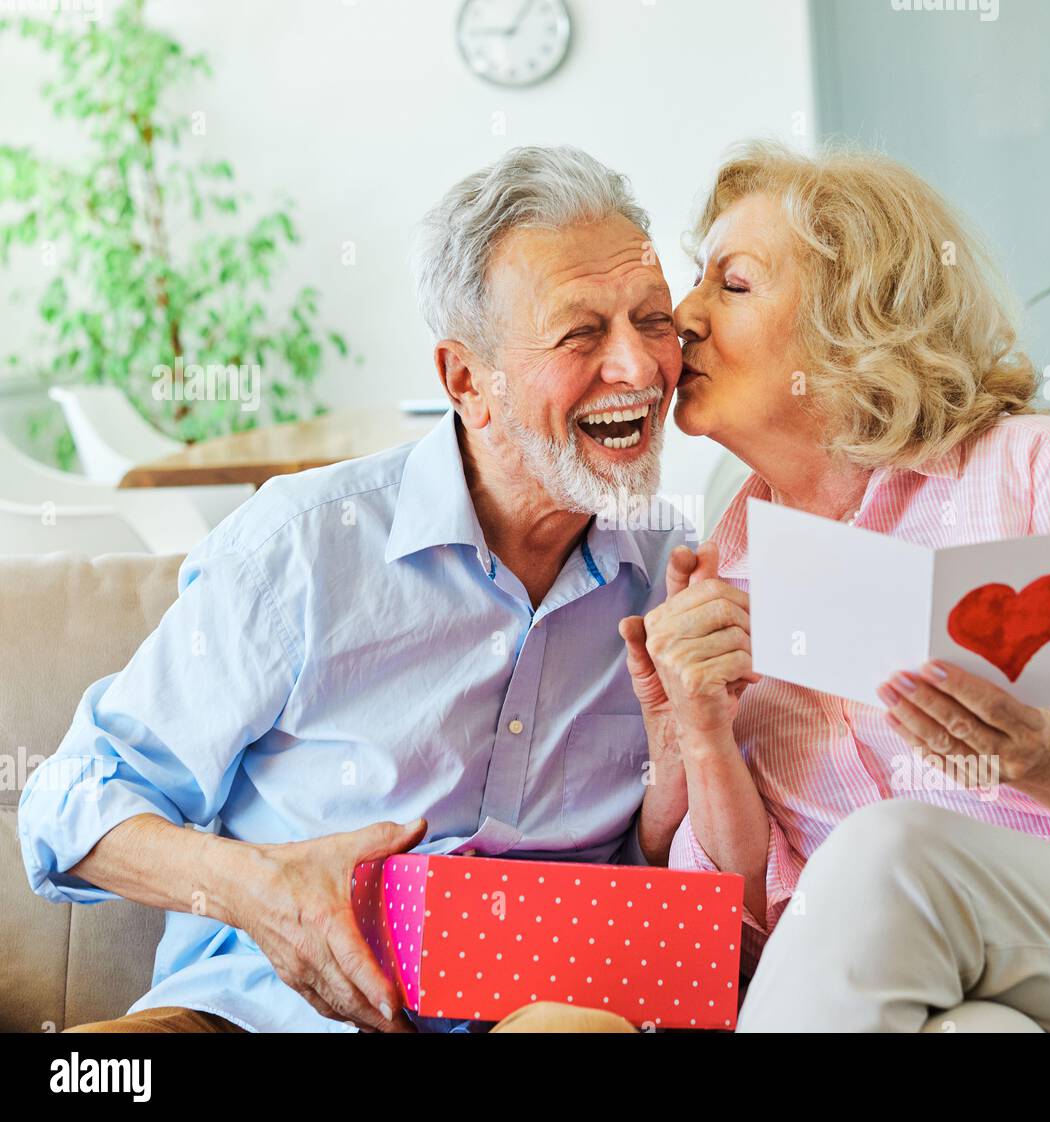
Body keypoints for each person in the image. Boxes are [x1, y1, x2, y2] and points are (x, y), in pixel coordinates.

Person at [625, 141, 1050, 1032]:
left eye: (733, 284)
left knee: (891, 849)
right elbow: (752, 943)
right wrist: (703, 736)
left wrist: (1047, 761)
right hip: (954, 993)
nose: (686, 318)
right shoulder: (729, 569)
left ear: (853, 319)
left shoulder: (1037, 473)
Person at [19, 146, 690, 1034]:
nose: (640, 367)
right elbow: (68, 798)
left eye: (653, 322)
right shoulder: (301, 547)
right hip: (251, 1013)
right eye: (581, 334)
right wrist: (263, 892)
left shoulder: (674, 575)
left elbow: (669, 873)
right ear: (464, 381)